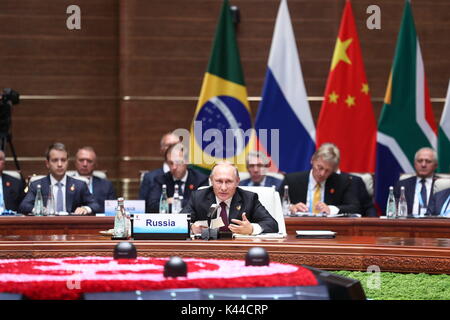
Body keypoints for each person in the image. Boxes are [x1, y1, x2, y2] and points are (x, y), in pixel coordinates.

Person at [181, 161, 278, 235]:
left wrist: (251, 229)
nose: (223, 188)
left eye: (228, 182)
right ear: (211, 181)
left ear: (237, 182)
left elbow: (272, 224)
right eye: (219, 181)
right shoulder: (198, 197)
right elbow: (178, 222)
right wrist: (191, 228)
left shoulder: (249, 199)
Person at [19, 142, 100, 215]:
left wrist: (85, 208)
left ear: (67, 162)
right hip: (45, 226)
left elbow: (95, 205)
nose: (60, 164)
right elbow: (24, 206)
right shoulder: (37, 185)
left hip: (71, 226)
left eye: (63, 160)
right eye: (55, 160)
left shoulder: (79, 185)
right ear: (47, 163)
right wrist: (37, 209)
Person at [279, 143, 359, 214]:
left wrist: (330, 209)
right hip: (298, 227)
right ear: (312, 160)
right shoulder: (292, 180)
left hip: (330, 227)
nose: (322, 174)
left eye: (327, 170)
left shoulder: (342, 182)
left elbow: (355, 207)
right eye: (320, 167)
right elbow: (275, 204)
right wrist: (290, 207)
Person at [147, 143, 209, 213]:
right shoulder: (161, 180)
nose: (174, 167)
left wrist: (173, 201)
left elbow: (202, 205)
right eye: (170, 163)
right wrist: (188, 203)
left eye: (178, 162)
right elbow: (152, 206)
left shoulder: (200, 179)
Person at [394, 147, 437, 215]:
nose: (423, 165)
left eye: (428, 161)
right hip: (408, 224)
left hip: (435, 224)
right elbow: (394, 211)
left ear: (435, 165)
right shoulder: (402, 185)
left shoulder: (442, 186)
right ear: (414, 163)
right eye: (420, 161)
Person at [139, 132, 180, 201]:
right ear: (161, 149)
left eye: (176, 145)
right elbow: (142, 205)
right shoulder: (149, 177)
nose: (172, 148)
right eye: (169, 145)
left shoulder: (192, 175)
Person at [74, 146, 116, 213]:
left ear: (95, 164)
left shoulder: (106, 185)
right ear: (75, 162)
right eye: (81, 160)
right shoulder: (67, 183)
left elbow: (112, 211)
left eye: (89, 161)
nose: (85, 164)